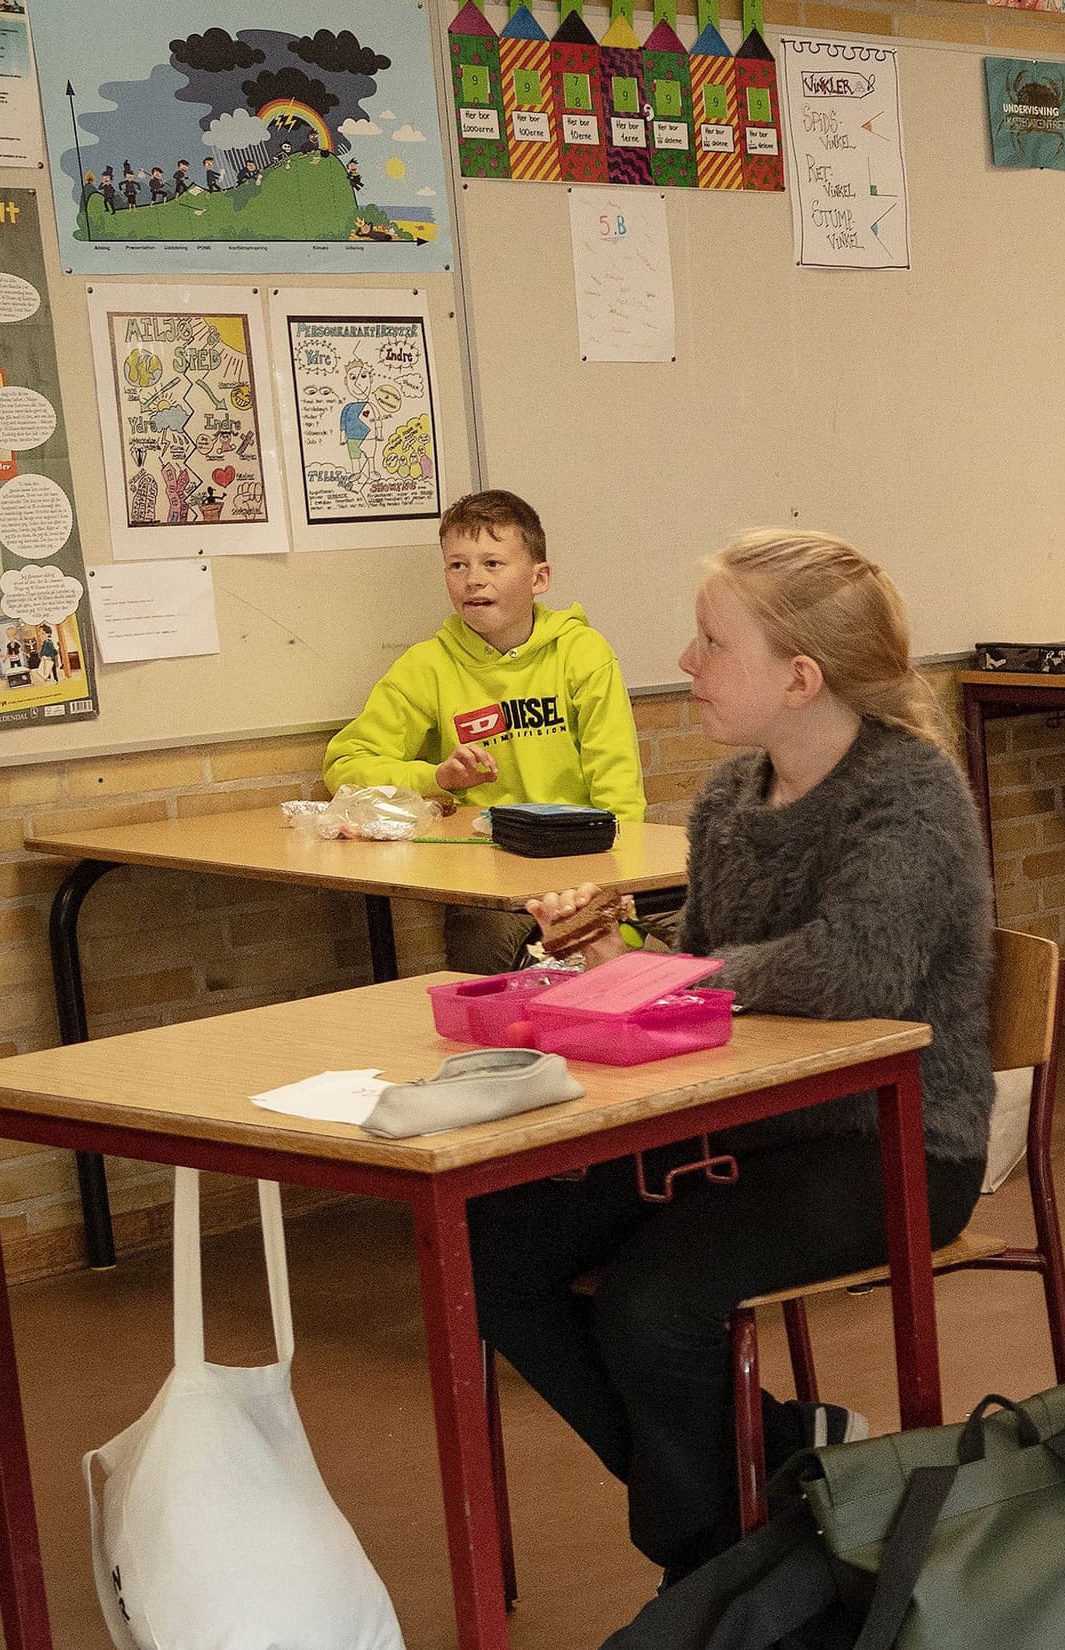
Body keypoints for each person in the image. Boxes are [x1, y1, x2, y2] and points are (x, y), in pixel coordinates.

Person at [471, 530, 993, 1587]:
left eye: (714, 642)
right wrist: (625, 961)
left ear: (800, 678)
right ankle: (776, 1478)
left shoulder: (912, 796)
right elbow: (721, 972)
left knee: (653, 1307)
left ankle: (710, 1566)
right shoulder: (723, 803)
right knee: (495, 1248)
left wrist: (678, 978)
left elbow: (853, 970)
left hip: (892, 1144)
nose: (686, 660)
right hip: (748, 1128)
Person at [321, 490, 642, 975]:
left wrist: (615, 881)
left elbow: (618, 785)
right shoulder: (427, 665)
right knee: (481, 945)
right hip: (487, 884)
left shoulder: (584, 653)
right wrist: (437, 779)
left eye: (493, 563)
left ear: (539, 578)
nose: (473, 580)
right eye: (457, 565)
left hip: (581, 869)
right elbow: (344, 766)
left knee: (638, 957)